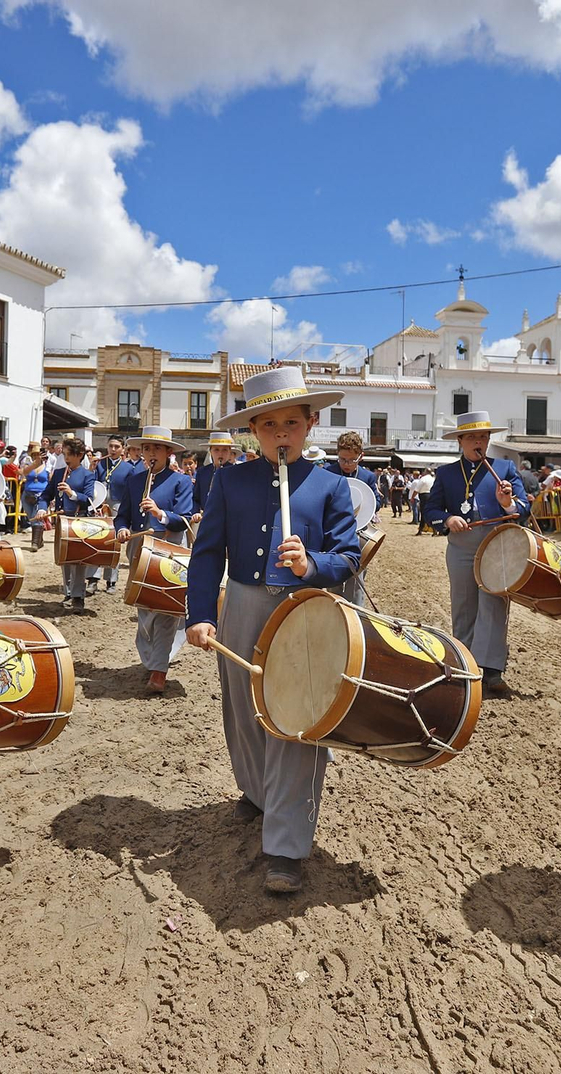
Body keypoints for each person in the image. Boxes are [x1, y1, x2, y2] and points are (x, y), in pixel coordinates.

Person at [184, 366, 359, 893]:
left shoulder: (330, 484)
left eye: (291, 422)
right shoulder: (229, 480)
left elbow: (348, 556)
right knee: (242, 709)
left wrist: (313, 564)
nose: (281, 433)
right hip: (240, 605)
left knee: (295, 717)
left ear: (311, 423)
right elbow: (207, 552)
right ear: (253, 430)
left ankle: (285, 844)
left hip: (304, 613)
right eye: (268, 424)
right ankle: (259, 793)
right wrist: (199, 614)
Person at [420, 411, 528, 699]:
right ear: (460, 441)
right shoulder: (445, 473)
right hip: (462, 546)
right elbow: (429, 510)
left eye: (483, 436)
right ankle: (465, 665)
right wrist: (447, 519)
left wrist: (507, 503)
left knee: (494, 604)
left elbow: (524, 509)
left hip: (497, 544)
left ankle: (492, 671)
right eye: (472, 437)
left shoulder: (504, 468)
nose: (479, 441)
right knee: (464, 603)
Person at [116, 426, 194, 694]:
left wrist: (161, 513)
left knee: (166, 609)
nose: (151, 453)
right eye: (147, 448)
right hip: (140, 547)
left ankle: (159, 670)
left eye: (157, 448)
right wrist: (122, 529)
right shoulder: (134, 481)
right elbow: (122, 515)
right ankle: (155, 660)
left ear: (168, 453)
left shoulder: (180, 481)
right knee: (145, 608)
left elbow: (183, 518)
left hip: (168, 545)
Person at [34, 437, 97, 607]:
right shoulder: (59, 473)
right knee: (65, 559)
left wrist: (72, 493)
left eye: (69, 454)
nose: (66, 458)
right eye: (65, 454)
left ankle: (78, 596)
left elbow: (89, 500)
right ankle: (68, 592)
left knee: (78, 560)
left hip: (79, 521)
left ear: (80, 455)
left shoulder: (87, 475)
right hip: (62, 522)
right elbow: (45, 496)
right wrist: (42, 508)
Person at [325, 430, 381, 603]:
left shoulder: (367, 476)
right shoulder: (328, 472)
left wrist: (368, 507)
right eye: (342, 459)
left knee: (357, 578)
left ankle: (356, 616)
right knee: (332, 576)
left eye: (351, 460)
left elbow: (376, 501)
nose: (346, 464)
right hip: (332, 532)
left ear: (361, 456)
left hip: (359, 534)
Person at [97, 437, 141, 594]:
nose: (113, 449)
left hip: (118, 504)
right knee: (97, 541)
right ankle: (94, 579)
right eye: (110, 446)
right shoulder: (101, 464)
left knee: (114, 543)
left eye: (117, 446)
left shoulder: (128, 468)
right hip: (100, 504)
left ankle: (111, 580)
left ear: (123, 449)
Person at [191, 430, 236, 527]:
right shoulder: (202, 472)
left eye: (224, 450)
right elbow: (196, 498)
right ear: (210, 451)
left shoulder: (236, 472)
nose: (220, 454)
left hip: (228, 522)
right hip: (206, 520)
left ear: (229, 452)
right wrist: (196, 512)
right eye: (216, 450)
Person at [20, 448, 51, 550]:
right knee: (32, 519)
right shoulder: (29, 464)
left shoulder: (48, 465)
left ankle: (34, 544)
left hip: (41, 495)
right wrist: (35, 464)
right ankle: (39, 540)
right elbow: (24, 472)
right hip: (27, 494)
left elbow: (51, 480)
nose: (38, 456)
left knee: (37, 517)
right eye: (36, 454)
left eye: (40, 454)